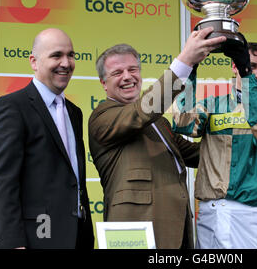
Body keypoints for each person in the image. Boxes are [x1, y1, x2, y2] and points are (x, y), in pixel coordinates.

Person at [88, 27, 226, 249]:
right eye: (117, 73)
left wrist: (239, 141)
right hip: (134, 233)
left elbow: (196, 154)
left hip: (175, 228)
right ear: (104, 84)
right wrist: (184, 62)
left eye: (133, 69)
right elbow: (144, 110)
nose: (127, 77)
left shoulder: (159, 122)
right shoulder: (102, 116)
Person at [172, 38, 257, 249]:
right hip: (212, 210)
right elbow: (183, 122)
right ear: (234, 65)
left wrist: (247, 79)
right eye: (251, 66)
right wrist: (191, 70)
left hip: (251, 214)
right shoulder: (212, 105)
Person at [0, 28, 94, 249]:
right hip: (31, 240)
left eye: (71, 55)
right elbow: (2, 182)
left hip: (74, 238)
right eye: (56, 55)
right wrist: (13, 243)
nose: (66, 62)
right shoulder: (13, 106)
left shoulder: (75, 113)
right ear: (34, 62)